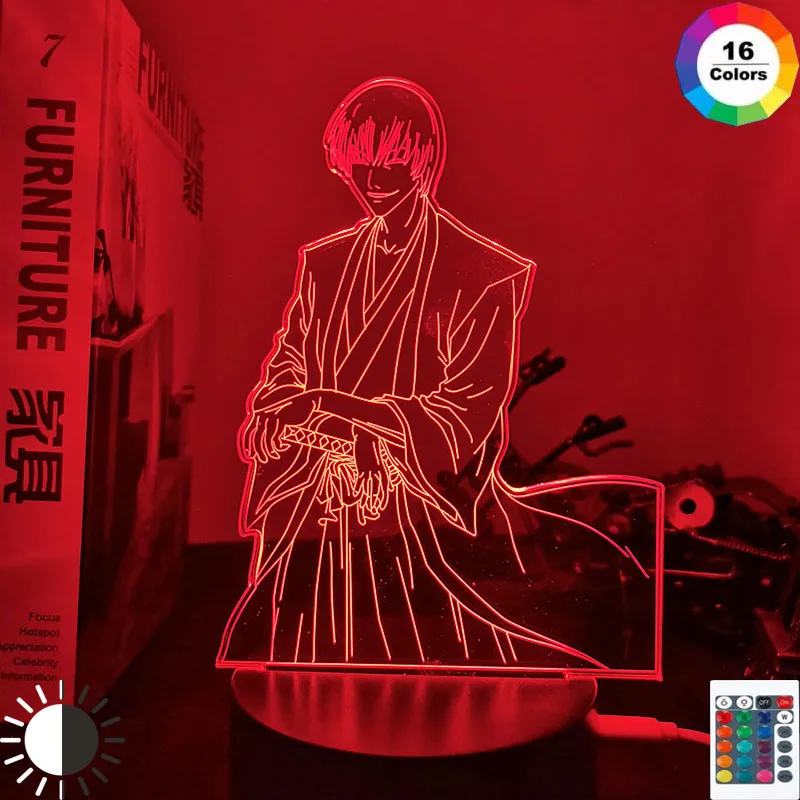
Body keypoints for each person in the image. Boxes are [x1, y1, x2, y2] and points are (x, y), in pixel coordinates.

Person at [217, 77, 663, 671]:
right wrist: (275, 409)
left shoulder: (483, 272)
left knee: (418, 666)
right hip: (314, 507)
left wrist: (337, 409)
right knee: (291, 659)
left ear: (425, 160)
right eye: (361, 161)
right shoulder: (325, 263)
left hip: (410, 514)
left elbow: (467, 410)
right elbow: (290, 357)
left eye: (393, 162)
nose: (374, 179)